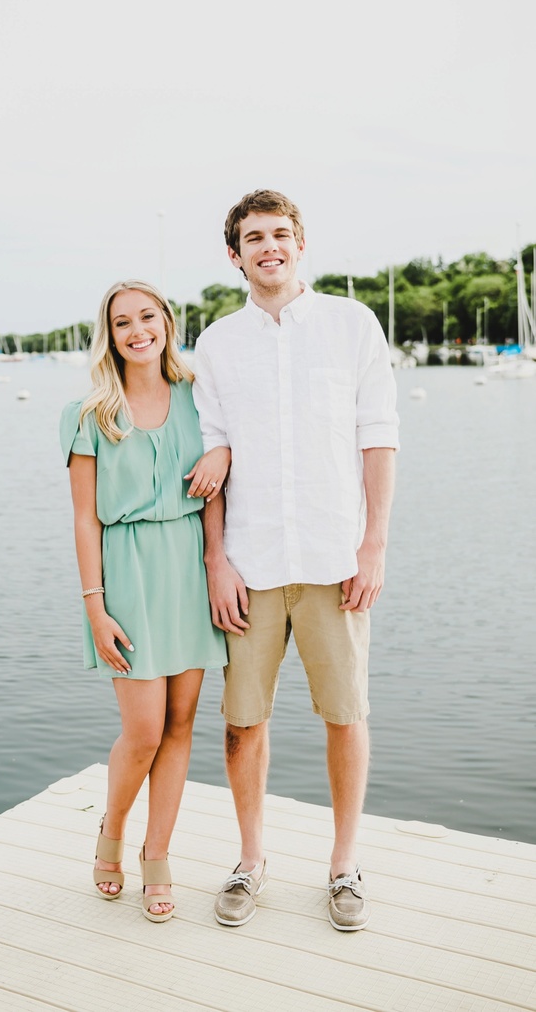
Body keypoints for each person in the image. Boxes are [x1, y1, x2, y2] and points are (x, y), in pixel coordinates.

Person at [192, 189, 398, 932]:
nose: (268, 246)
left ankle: (344, 865)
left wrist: (373, 543)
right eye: (254, 237)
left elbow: (379, 436)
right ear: (235, 254)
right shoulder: (216, 343)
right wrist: (217, 558)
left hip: (334, 556)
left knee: (346, 715)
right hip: (249, 563)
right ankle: (251, 859)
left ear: (300, 244)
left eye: (280, 234)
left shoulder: (353, 324)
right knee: (244, 722)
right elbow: (211, 456)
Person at [62, 279, 228, 922]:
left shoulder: (200, 396)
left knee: (182, 725)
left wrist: (226, 451)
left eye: (148, 316)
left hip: (190, 569)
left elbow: (225, 469)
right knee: (143, 730)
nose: (138, 329)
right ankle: (112, 832)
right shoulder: (89, 414)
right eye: (123, 321)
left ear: (166, 322)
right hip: (127, 576)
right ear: (110, 334)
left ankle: (157, 856)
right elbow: (84, 521)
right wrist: (94, 606)